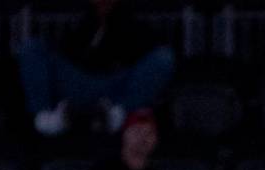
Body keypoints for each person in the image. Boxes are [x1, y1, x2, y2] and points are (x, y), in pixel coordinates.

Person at [18, 0, 175, 136]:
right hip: (77, 84)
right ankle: (46, 118)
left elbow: (149, 54)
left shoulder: (133, 19)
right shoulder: (81, 16)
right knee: (31, 48)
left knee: (164, 58)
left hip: (115, 90)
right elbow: (65, 50)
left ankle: (115, 116)